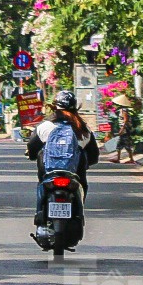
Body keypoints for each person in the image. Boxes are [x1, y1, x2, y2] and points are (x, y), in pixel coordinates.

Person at [26, 90, 98, 238]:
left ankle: (40, 214)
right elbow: (93, 155)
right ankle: (78, 212)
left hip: (49, 175)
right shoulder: (82, 129)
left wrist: (33, 155)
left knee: (41, 183)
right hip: (74, 176)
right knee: (82, 184)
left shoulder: (45, 126)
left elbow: (32, 148)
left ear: (55, 106)